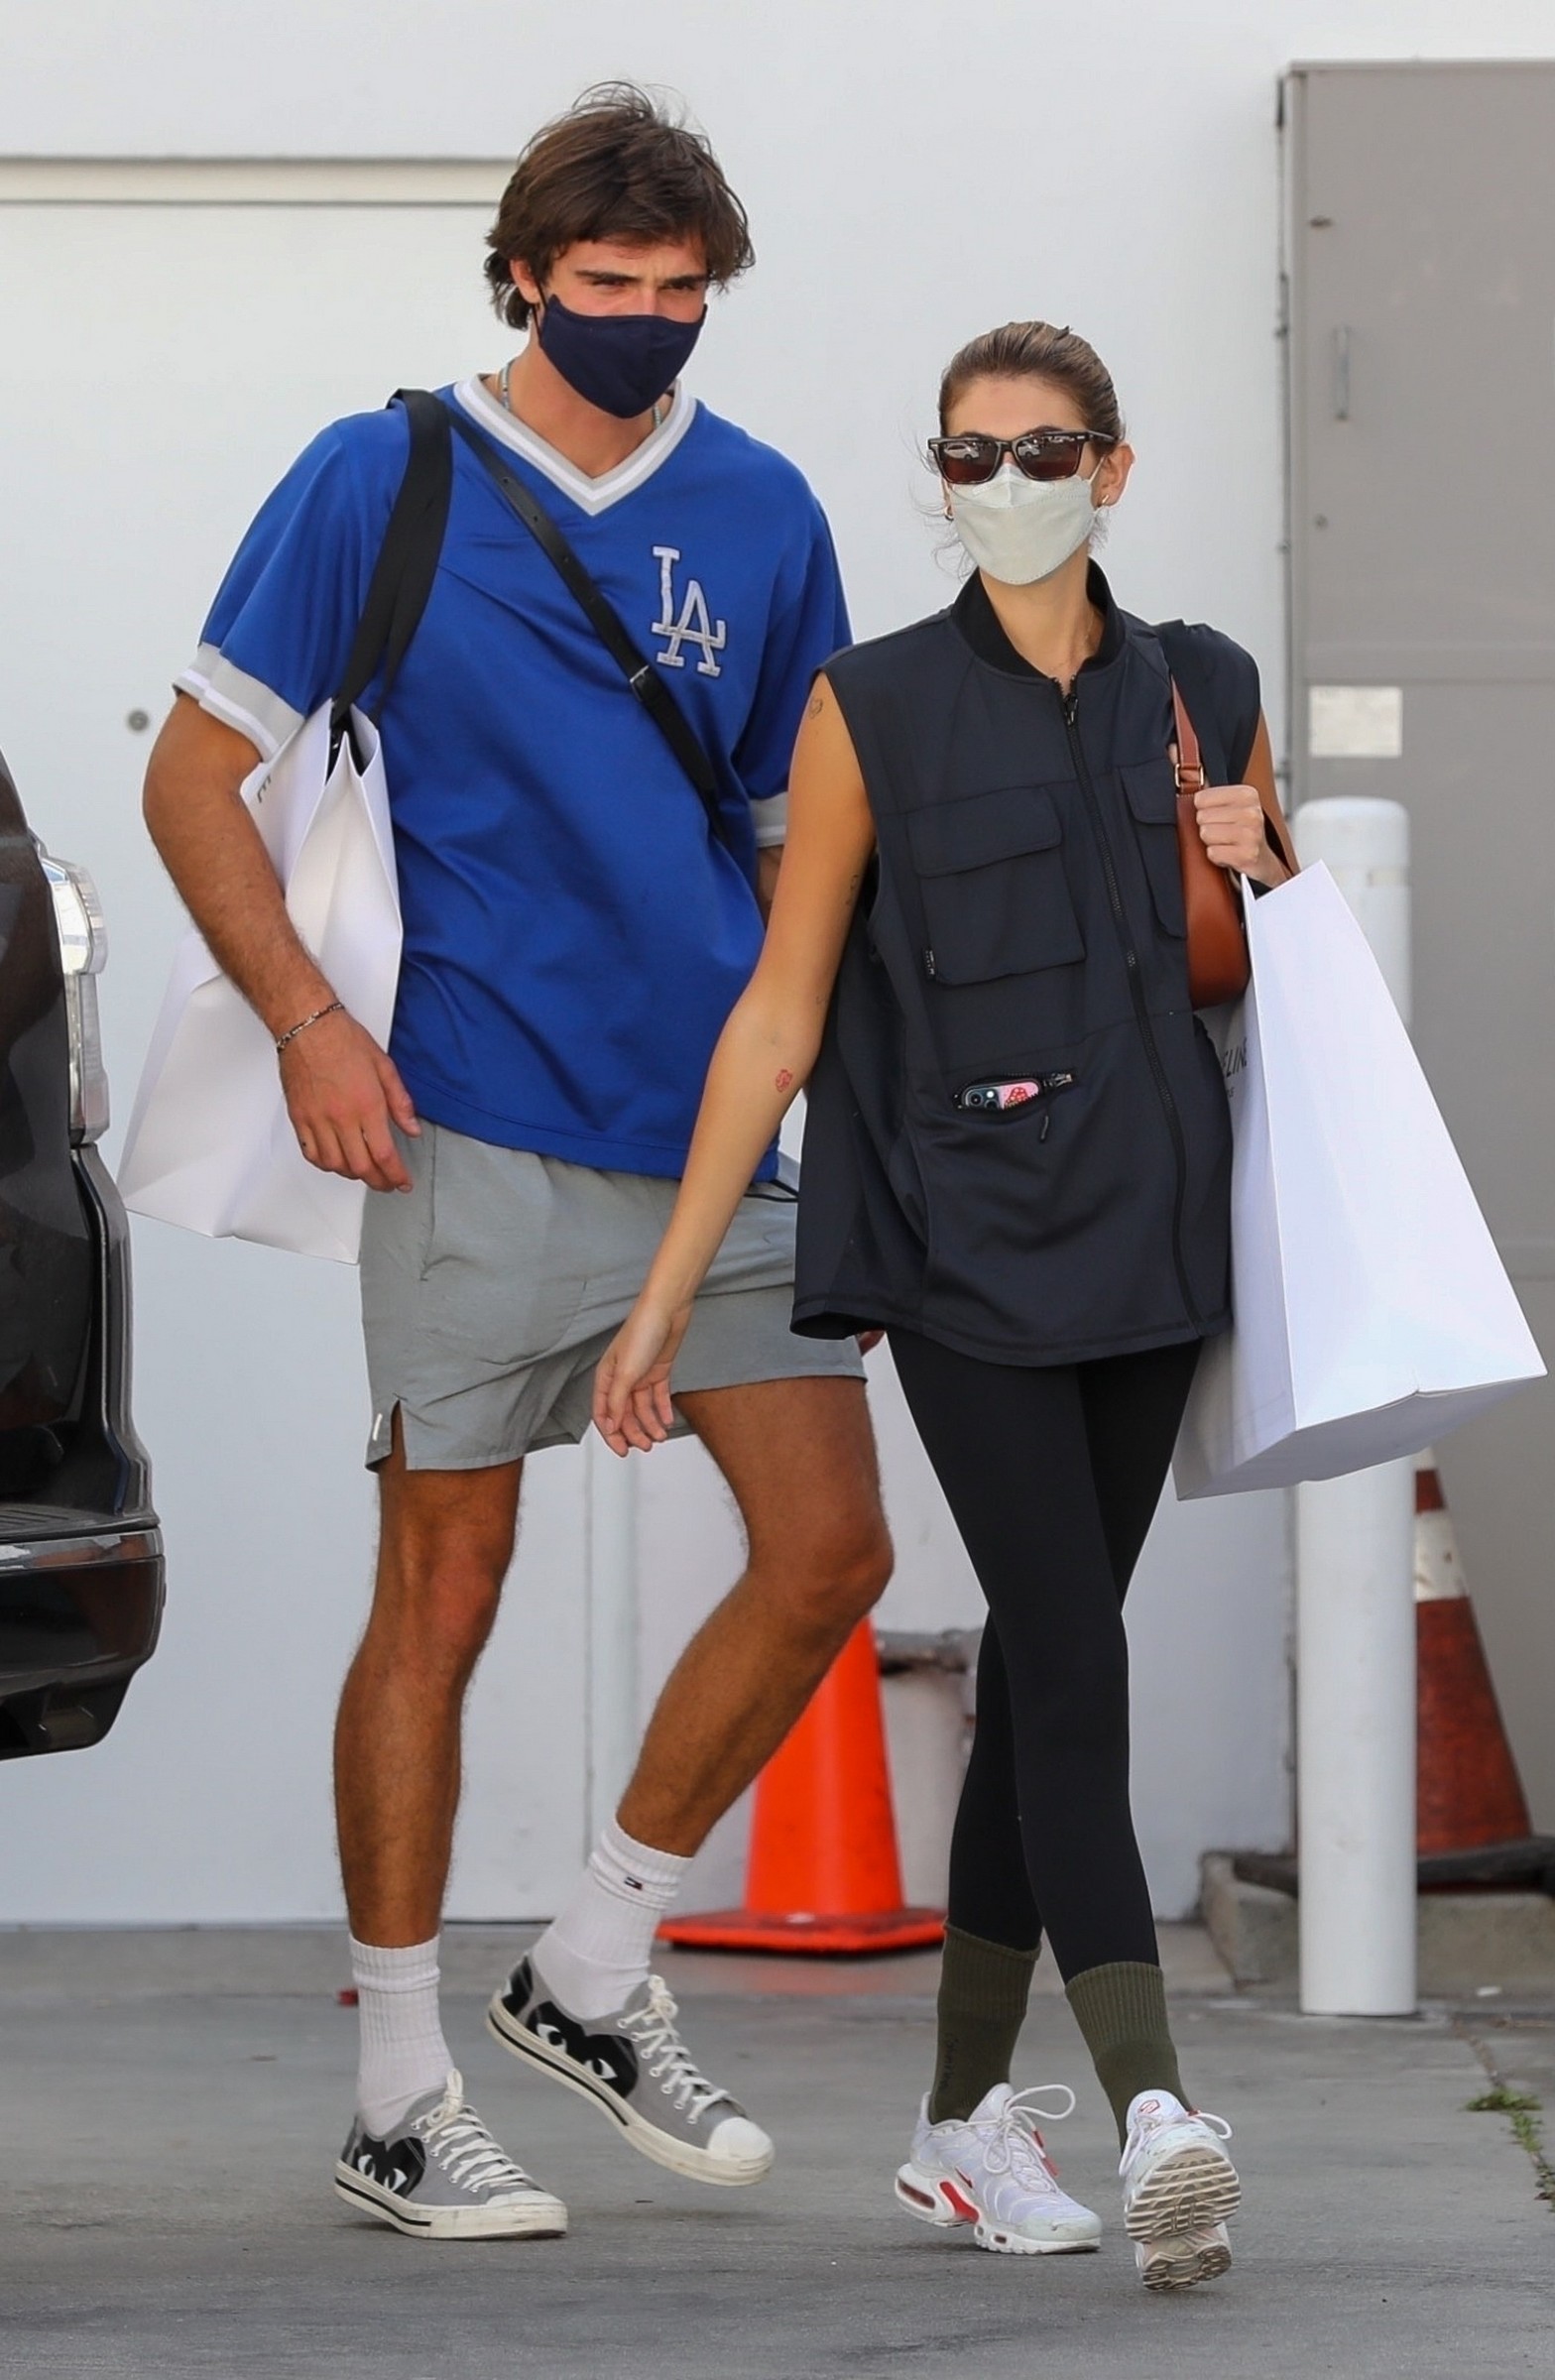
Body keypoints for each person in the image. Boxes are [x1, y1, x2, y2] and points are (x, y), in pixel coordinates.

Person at [141, 85, 892, 2243]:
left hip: (716, 1139)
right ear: (522, 279)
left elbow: (799, 838)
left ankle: (590, 1961)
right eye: (606, 283)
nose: (645, 318)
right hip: (464, 1121)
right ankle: (397, 2089)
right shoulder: (379, 475)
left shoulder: (761, 509)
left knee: (827, 1552)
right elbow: (196, 775)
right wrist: (312, 1022)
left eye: (682, 289)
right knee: (443, 1592)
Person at [594, 319, 1297, 2290]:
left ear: (1113, 469)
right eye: (970, 456)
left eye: (1043, 451)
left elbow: (1252, 963)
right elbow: (781, 1010)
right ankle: (1156, 2107)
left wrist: (1261, 855)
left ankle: (956, 2128)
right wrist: (664, 1299)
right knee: (1070, 1653)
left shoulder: (1206, 686)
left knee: (1045, 1672)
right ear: (940, 477)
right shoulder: (871, 707)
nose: (1005, 486)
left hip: (1155, 1247)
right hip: (966, 1249)